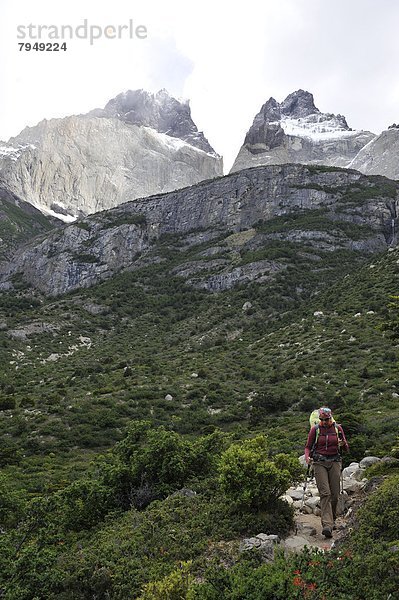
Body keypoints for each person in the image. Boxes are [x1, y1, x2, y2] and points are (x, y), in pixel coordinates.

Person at [304, 407, 349, 538]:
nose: (324, 422)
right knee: (325, 493)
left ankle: (332, 519)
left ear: (331, 418)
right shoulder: (315, 430)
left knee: (335, 494)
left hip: (334, 461)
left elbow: (346, 448)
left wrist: (343, 444)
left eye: (326, 419)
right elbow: (308, 447)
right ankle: (327, 525)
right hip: (319, 462)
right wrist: (307, 458)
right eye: (322, 419)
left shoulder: (337, 429)